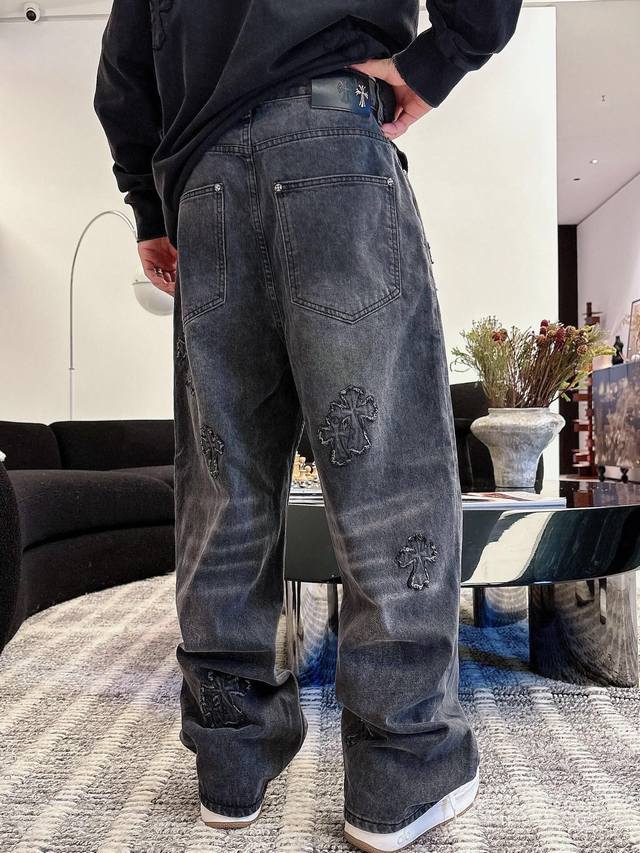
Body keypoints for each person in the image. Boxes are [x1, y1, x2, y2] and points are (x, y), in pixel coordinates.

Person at [94, 2, 522, 850]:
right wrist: (438, 60)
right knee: (386, 471)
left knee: (223, 484)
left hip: (206, 184)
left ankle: (231, 760)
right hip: (334, 143)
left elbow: (122, 74)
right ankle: (402, 765)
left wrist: (150, 205)